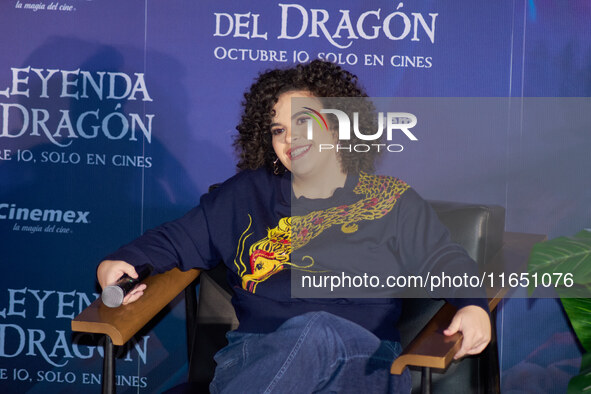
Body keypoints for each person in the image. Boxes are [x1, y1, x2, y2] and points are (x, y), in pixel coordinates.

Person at [97, 60, 491, 393]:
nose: (290, 140)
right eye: (278, 130)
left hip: (366, 364)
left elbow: (443, 258)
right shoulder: (245, 194)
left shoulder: (389, 198)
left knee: (318, 329)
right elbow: (176, 239)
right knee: (308, 335)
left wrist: (472, 304)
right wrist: (122, 261)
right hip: (254, 356)